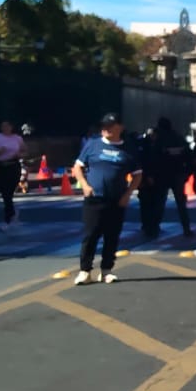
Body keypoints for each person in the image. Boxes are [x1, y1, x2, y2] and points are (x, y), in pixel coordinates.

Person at [71, 112, 139, 285]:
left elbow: (138, 175)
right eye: (104, 126)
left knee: (112, 235)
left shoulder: (128, 148)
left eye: (111, 126)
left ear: (120, 127)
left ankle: (106, 270)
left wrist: (127, 194)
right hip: (95, 198)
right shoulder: (93, 144)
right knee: (90, 235)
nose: (106, 129)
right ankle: (85, 271)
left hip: (116, 199)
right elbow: (77, 167)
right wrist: (85, 186)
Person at [150, 115, 194, 236]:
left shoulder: (159, 140)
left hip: (163, 174)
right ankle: (186, 228)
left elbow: (153, 158)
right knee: (181, 203)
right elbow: (189, 156)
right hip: (178, 173)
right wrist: (187, 173)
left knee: (160, 202)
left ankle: (154, 227)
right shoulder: (179, 138)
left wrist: (152, 174)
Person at [0, 119, 26, 229]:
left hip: (14, 165)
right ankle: (10, 212)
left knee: (10, 189)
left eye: (7, 126)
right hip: (1, 166)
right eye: (3, 126)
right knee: (4, 190)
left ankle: (9, 211)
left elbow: (24, 151)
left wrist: (19, 154)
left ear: (11, 127)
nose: (5, 128)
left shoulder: (17, 138)